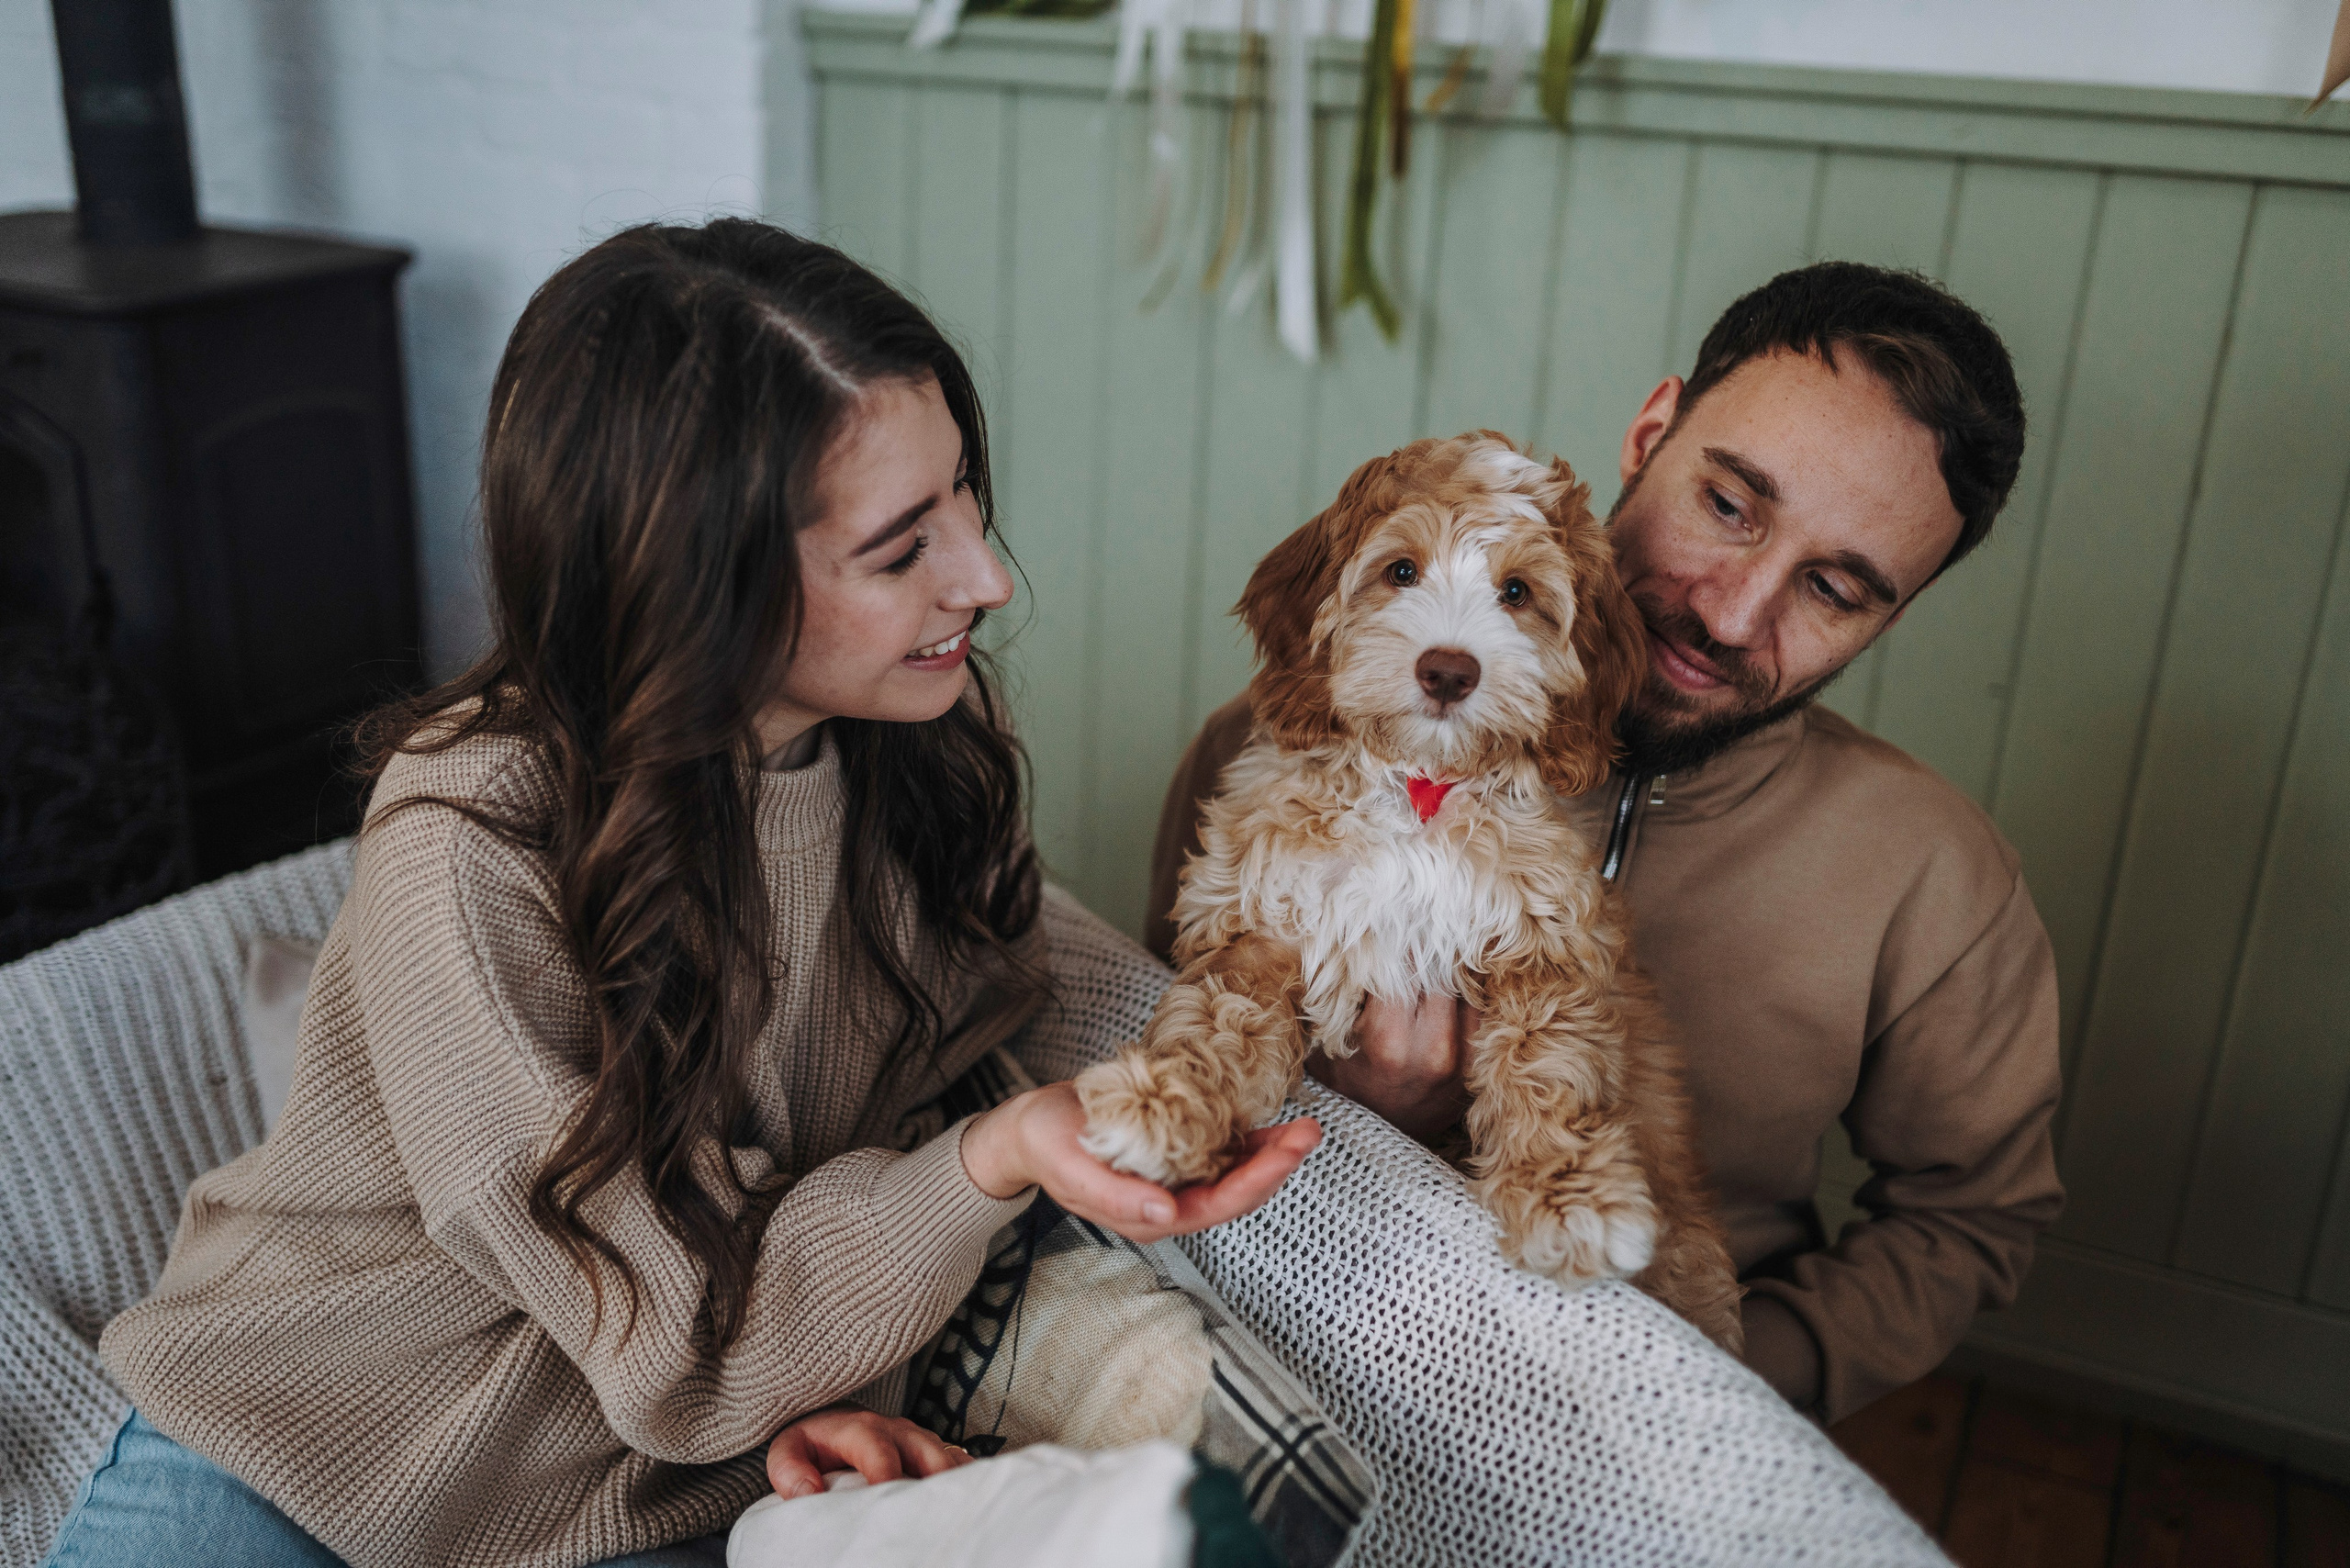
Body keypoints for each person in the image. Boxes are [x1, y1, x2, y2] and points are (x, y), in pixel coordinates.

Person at [48, 219, 1320, 1568]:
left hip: (659, 1489)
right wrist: (988, 1164)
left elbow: (859, 1144)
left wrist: (841, 1392)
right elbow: (683, 1346)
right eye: (902, 549)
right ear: (694, 584)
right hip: (306, 1433)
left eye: (964, 496)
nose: (986, 577)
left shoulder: (926, 759)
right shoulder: (471, 828)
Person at [1146, 262, 2065, 1427]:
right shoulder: (1270, 749)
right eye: (1728, 506)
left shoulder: (1937, 876)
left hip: (1651, 1396)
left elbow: (1969, 1215)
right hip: (1269, 1347)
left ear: (1894, 611)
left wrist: (1721, 1383)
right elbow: (1169, 1018)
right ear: (1650, 432)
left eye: (1833, 587)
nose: (1732, 614)